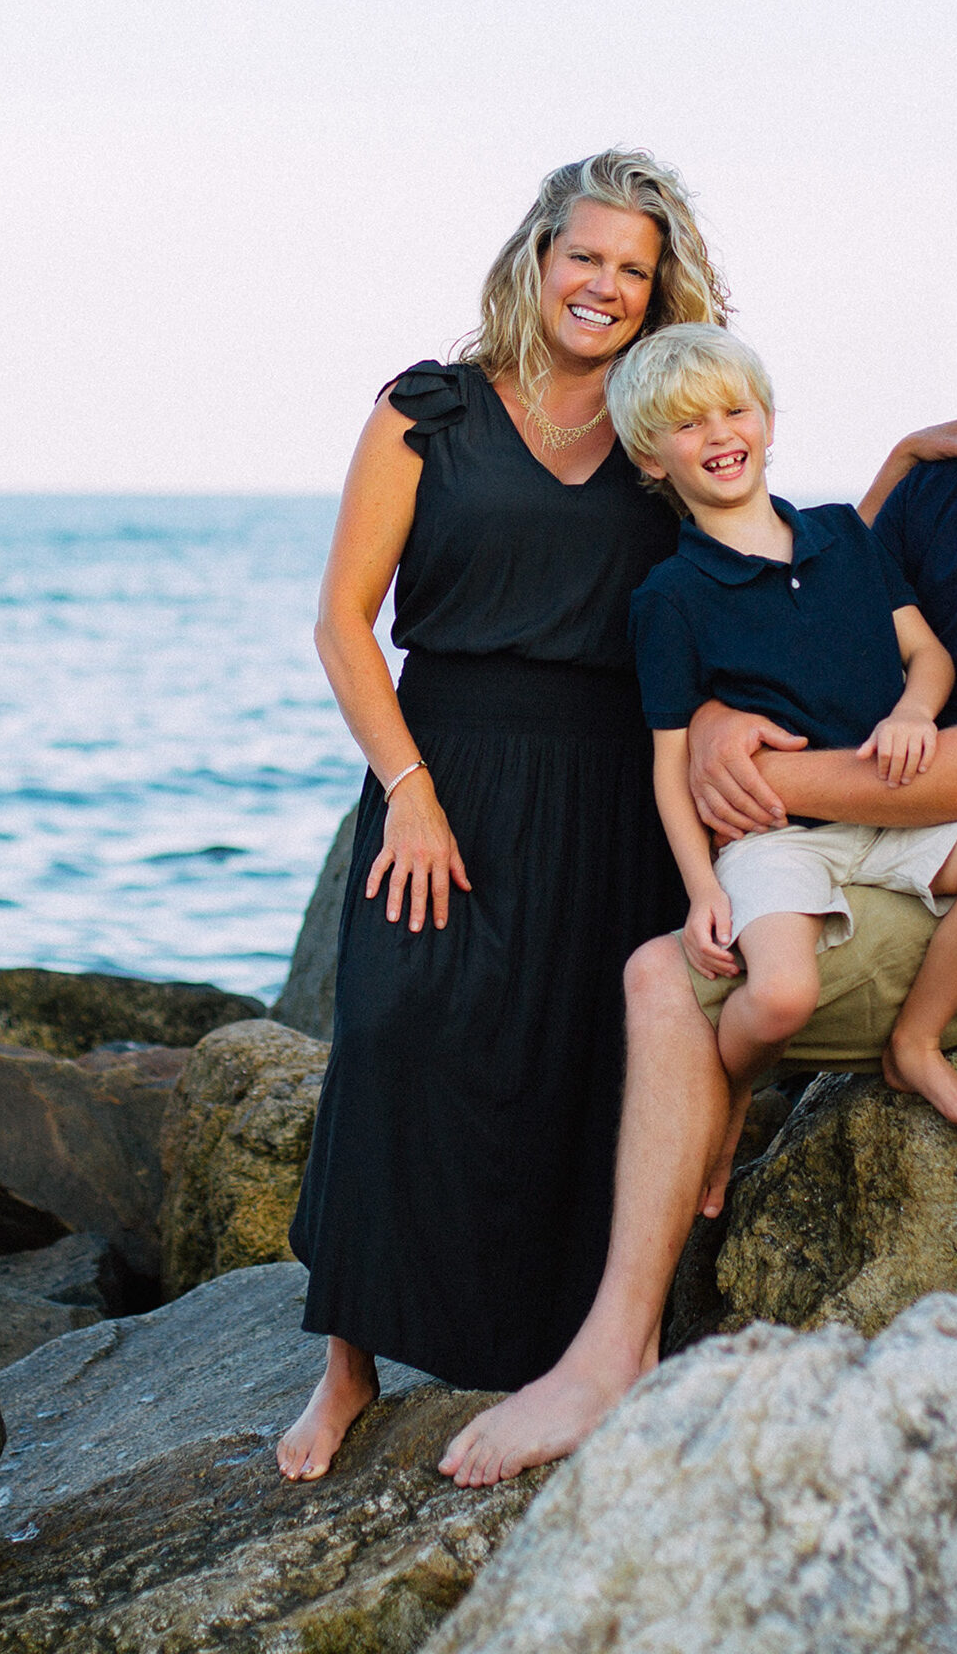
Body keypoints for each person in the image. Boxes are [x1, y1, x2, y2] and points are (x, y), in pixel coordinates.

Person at [440, 231, 957, 1489]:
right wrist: (707, 714)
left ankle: (609, 1352)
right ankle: (612, 1237)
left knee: (664, 978)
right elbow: (806, 585)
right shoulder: (942, 486)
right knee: (692, 921)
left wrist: (742, 776)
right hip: (883, 840)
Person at [276, 150, 732, 1482]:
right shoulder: (429, 409)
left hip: (613, 787)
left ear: (660, 295)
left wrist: (895, 475)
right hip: (453, 770)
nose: (602, 285)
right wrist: (409, 793)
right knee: (394, 1024)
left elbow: (759, 562)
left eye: (632, 271)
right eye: (584, 256)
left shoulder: (667, 430)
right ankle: (347, 1366)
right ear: (536, 258)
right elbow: (342, 622)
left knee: (578, 1065)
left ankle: (568, 1352)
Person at [605, 324, 957, 1148]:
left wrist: (915, 712)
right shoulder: (667, 597)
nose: (718, 436)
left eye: (734, 411)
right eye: (687, 424)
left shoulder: (846, 536)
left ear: (768, 422)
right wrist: (704, 888)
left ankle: (916, 1042)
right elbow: (672, 765)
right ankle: (735, 1091)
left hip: (895, 812)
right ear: (648, 458)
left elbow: (928, 655)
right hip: (778, 843)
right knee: (777, 1000)